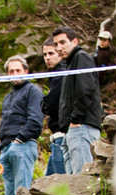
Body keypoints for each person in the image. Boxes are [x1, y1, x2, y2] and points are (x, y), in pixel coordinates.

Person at [52, 26, 104, 174]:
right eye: (56, 44)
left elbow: (85, 91)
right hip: (72, 129)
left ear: (74, 41)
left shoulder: (81, 58)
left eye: (63, 42)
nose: (59, 47)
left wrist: (76, 120)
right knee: (73, 186)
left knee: (82, 182)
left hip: (82, 127)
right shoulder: (70, 63)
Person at [0, 55, 43, 195]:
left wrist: (19, 140)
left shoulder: (33, 91)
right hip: (6, 149)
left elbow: (36, 120)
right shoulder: (8, 97)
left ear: (26, 71)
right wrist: (3, 146)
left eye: (18, 70)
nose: (15, 74)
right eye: (11, 71)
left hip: (22, 146)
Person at [42, 38, 67, 176]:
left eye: (51, 53)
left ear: (59, 53)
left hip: (62, 134)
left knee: (61, 183)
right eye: (45, 55)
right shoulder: (55, 76)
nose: (47, 58)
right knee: (48, 185)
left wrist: (44, 102)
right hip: (57, 136)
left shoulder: (61, 74)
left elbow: (51, 104)